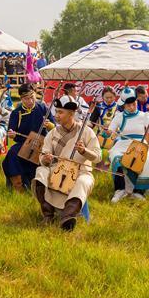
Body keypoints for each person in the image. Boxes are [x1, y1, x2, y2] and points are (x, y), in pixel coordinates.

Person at [33, 95, 100, 231]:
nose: (56, 115)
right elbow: (43, 155)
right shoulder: (52, 133)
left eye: (60, 112)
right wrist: (45, 159)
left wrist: (84, 151)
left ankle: (67, 217)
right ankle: (48, 214)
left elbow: (98, 157)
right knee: (41, 172)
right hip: (57, 168)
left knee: (83, 182)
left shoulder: (87, 132)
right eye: (56, 111)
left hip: (81, 171)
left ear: (71, 114)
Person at [107, 88, 149, 202]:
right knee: (116, 157)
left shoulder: (144, 115)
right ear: (124, 105)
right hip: (123, 143)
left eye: (134, 104)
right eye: (128, 105)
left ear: (137, 102)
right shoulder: (119, 116)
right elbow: (110, 131)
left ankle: (139, 191)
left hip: (140, 144)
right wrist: (108, 132)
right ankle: (120, 190)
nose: (131, 107)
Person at [3, 83, 52, 192]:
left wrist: (49, 125)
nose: (30, 101)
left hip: (41, 144)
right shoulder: (17, 113)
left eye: (32, 97)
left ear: (35, 95)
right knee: (12, 154)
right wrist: (12, 134)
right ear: (21, 99)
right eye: (26, 99)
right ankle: (18, 185)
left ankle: (39, 184)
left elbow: (54, 128)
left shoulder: (43, 108)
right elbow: (12, 131)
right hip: (23, 143)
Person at [88, 86, 120, 163]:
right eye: (106, 98)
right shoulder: (98, 107)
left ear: (115, 97)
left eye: (111, 97)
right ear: (102, 97)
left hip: (115, 137)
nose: (109, 100)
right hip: (100, 135)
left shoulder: (119, 108)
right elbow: (92, 123)